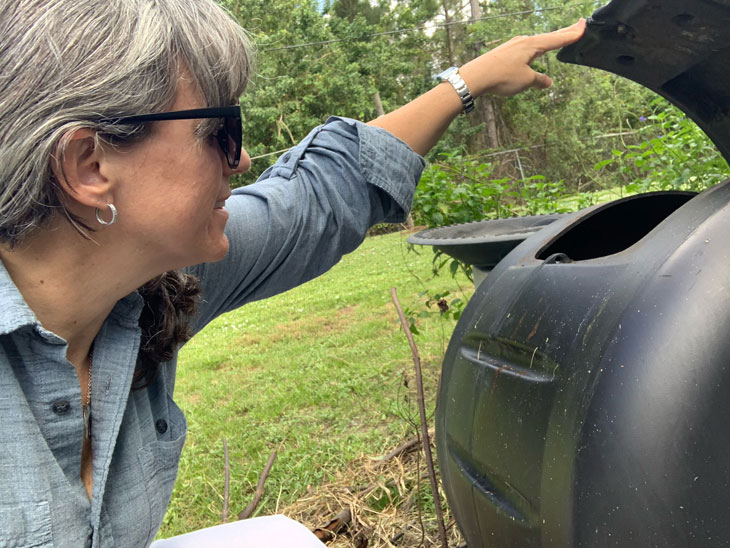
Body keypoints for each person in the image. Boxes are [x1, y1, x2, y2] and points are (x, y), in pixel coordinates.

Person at [0, 0, 585, 545]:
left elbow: (318, 196)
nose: (244, 159)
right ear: (89, 164)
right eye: (220, 131)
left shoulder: (154, 292)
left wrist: (468, 81)